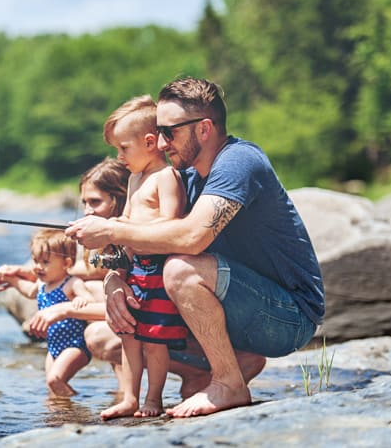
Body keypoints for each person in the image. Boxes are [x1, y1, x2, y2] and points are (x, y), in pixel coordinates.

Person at [66, 77, 324, 418]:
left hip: (289, 317)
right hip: (236, 309)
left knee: (181, 270)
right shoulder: (183, 175)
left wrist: (112, 228)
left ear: (204, 128)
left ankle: (228, 383)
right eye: (157, 131)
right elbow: (145, 239)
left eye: (168, 132)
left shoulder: (239, 162)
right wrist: (114, 280)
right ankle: (215, 371)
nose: (159, 142)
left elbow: (191, 237)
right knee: (105, 337)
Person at [0, 158, 130, 388]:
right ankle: (124, 391)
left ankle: (134, 391)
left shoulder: (135, 240)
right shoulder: (106, 246)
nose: (86, 212)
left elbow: (88, 274)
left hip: (137, 323)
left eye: (95, 202)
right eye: (84, 203)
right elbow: (91, 268)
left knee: (97, 291)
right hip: (59, 340)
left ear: (120, 199)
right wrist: (22, 274)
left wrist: (66, 309)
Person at [97, 95, 188, 420]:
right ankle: (130, 397)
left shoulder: (166, 178)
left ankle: (154, 398)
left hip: (159, 274)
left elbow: (172, 225)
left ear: (150, 142)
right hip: (136, 270)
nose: (118, 156)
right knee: (129, 337)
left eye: (123, 148)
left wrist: (125, 227)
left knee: (153, 341)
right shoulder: (135, 178)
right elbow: (130, 226)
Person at [0, 228, 95, 396]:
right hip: (53, 346)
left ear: (66, 264)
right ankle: (62, 413)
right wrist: (12, 279)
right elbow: (29, 291)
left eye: (45, 262)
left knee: (55, 380)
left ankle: (79, 404)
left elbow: (90, 301)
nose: (38, 267)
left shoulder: (71, 283)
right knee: (52, 388)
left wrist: (79, 300)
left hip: (75, 345)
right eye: (35, 261)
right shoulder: (41, 284)